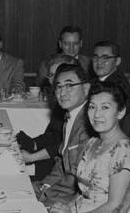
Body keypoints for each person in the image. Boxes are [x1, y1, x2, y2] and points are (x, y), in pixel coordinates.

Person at [49, 81, 130, 213]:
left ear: (120, 112)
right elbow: (85, 191)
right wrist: (65, 206)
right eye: (92, 107)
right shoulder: (92, 143)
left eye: (105, 107)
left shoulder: (123, 150)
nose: (97, 114)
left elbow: (115, 207)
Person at [32, 63, 92, 203]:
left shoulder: (89, 124)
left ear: (86, 88)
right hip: (58, 191)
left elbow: (79, 182)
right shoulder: (70, 117)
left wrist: (46, 195)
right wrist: (44, 186)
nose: (62, 93)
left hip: (73, 200)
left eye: (69, 86)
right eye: (59, 86)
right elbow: (61, 162)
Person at [17, 53, 75, 180]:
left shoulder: (74, 105)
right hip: (52, 161)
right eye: (51, 75)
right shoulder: (60, 101)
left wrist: (32, 157)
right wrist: (33, 144)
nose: (54, 80)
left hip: (64, 169)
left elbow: (62, 144)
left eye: (59, 74)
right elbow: (52, 134)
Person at [91, 40, 130, 137]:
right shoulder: (95, 81)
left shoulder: (117, 85)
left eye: (105, 58)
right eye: (95, 57)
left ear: (117, 61)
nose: (99, 62)